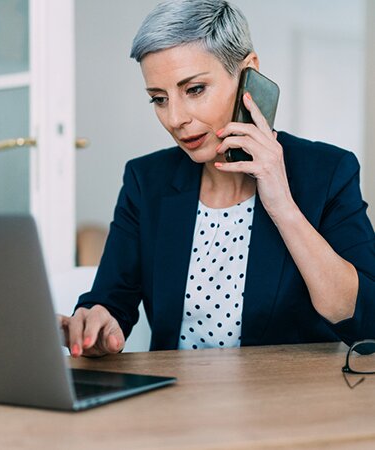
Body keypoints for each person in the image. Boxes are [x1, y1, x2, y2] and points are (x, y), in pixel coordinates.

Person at [60, 0, 375, 357]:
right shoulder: (146, 181)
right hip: (175, 402)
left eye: (194, 89)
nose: (175, 118)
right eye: (159, 99)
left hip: (285, 402)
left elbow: (364, 322)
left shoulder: (328, 172)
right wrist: (99, 321)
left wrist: (282, 205)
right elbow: (112, 299)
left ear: (248, 72)